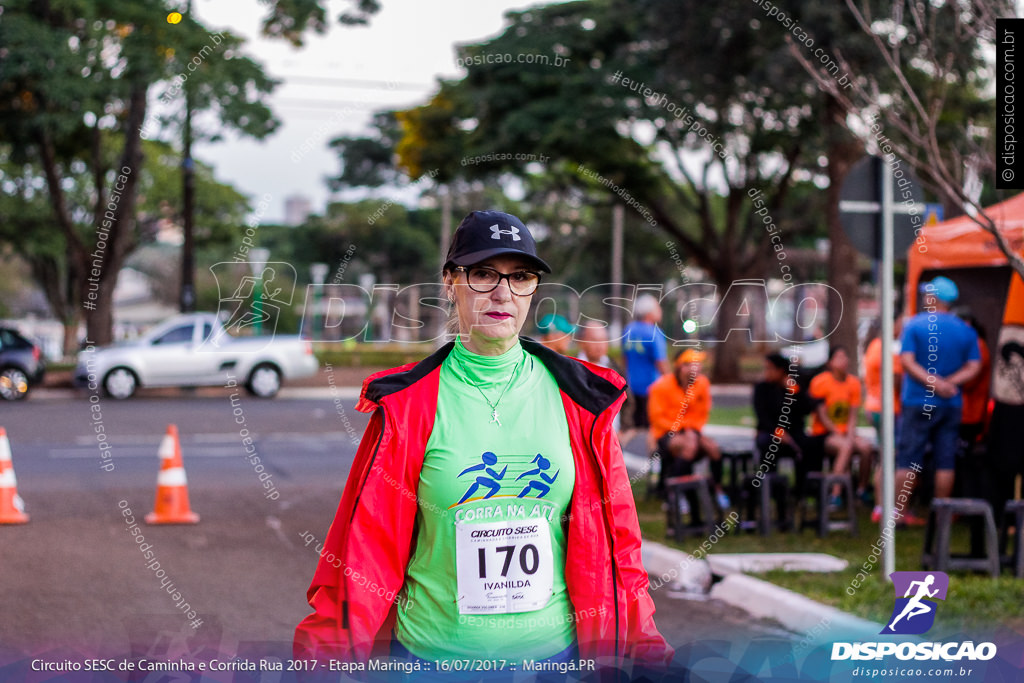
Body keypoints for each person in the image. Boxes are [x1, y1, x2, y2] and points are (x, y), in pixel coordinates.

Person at [294, 210, 673, 674]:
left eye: (521, 277)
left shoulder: (580, 402)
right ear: (451, 281)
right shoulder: (409, 405)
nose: (503, 292)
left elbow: (620, 548)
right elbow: (361, 553)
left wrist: (649, 653)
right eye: (483, 274)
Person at [894, 276, 980, 522]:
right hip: (950, 403)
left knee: (909, 458)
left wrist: (933, 383)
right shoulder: (965, 330)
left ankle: (899, 514)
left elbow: (907, 361)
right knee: (945, 459)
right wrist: (948, 383)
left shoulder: (915, 325)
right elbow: (974, 365)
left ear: (933, 299)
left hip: (917, 401)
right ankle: (943, 515)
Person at [647, 349, 729, 509]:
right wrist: (683, 428)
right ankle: (674, 494)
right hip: (666, 433)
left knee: (713, 448)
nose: (696, 368)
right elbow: (657, 419)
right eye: (691, 364)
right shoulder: (661, 386)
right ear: (680, 367)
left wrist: (692, 429)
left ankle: (717, 491)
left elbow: (702, 413)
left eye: (698, 364)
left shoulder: (702, 383)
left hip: (692, 432)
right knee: (688, 446)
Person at [809, 346, 876, 507]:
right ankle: (836, 493)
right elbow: (822, 415)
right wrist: (838, 433)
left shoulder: (853, 383)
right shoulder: (820, 382)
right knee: (845, 447)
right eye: (839, 357)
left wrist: (850, 434)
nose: (844, 361)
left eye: (845, 357)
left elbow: (853, 415)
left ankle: (861, 489)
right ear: (830, 362)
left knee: (866, 447)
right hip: (824, 434)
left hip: (846, 433)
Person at [753, 352, 813, 511]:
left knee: (806, 446)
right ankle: (771, 493)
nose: (767, 373)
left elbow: (807, 408)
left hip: (793, 434)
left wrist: (793, 390)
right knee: (768, 444)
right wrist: (778, 432)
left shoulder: (792, 387)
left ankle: (801, 493)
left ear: (781, 370)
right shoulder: (762, 389)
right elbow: (762, 417)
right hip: (770, 433)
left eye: (770, 369)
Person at [863, 317, 904, 521]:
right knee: (889, 458)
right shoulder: (889, 350)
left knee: (884, 456)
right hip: (887, 409)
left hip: (874, 406)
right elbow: (897, 380)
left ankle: (880, 507)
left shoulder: (873, 346)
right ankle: (884, 507)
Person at [622, 294, 669, 444]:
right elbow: (661, 363)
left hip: (631, 385)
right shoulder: (654, 333)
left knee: (633, 425)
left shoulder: (628, 329)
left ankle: (619, 453)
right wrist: (671, 381)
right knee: (653, 426)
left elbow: (625, 358)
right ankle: (652, 462)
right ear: (650, 313)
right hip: (652, 387)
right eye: (658, 308)